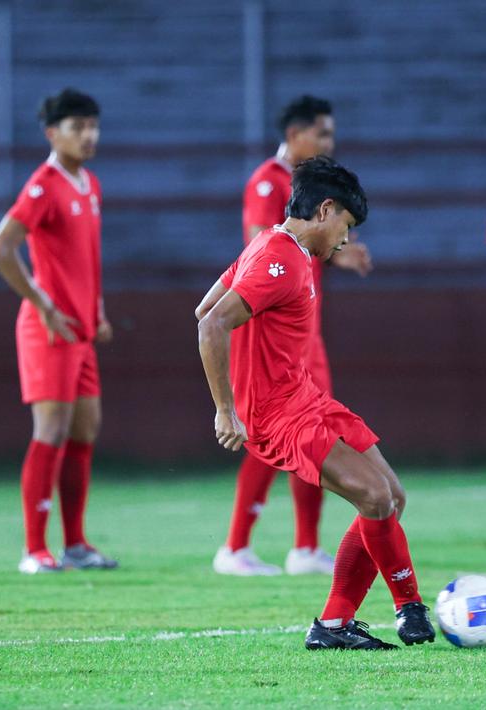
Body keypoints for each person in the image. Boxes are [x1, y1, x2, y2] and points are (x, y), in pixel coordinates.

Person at [197, 156, 434, 650]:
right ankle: (407, 607)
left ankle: (333, 626)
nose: (345, 240)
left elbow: (205, 306)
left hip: (307, 399)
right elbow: (211, 323)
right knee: (375, 498)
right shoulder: (279, 260)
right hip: (281, 416)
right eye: (344, 227)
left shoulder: (272, 244)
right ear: (325, 210)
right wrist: (227, 409)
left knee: (392, 495)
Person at [214, 95, 373, 577]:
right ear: (295, 134)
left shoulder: (316, 189)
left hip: (304, 331)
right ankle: (236, 546)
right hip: (269, 331)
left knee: (311, 433)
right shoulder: (268, 181)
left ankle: (306, 547)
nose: (329, 142)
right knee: (273, 433)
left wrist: (337, 251)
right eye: (322, 133)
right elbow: (260, 244)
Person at [0, 88, 118, 574]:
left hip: (80, 330)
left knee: (85, 430)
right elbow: (0, 248)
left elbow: (87, 258)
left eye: (93, 126)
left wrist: (97, 308)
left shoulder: (89, 184)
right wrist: (41, 303)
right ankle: (34, 549)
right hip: (49, 327)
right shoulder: (43, 184)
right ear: (51, 133)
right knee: (52, 431)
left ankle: (77, 544)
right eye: (78, 127)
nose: (89, 136)